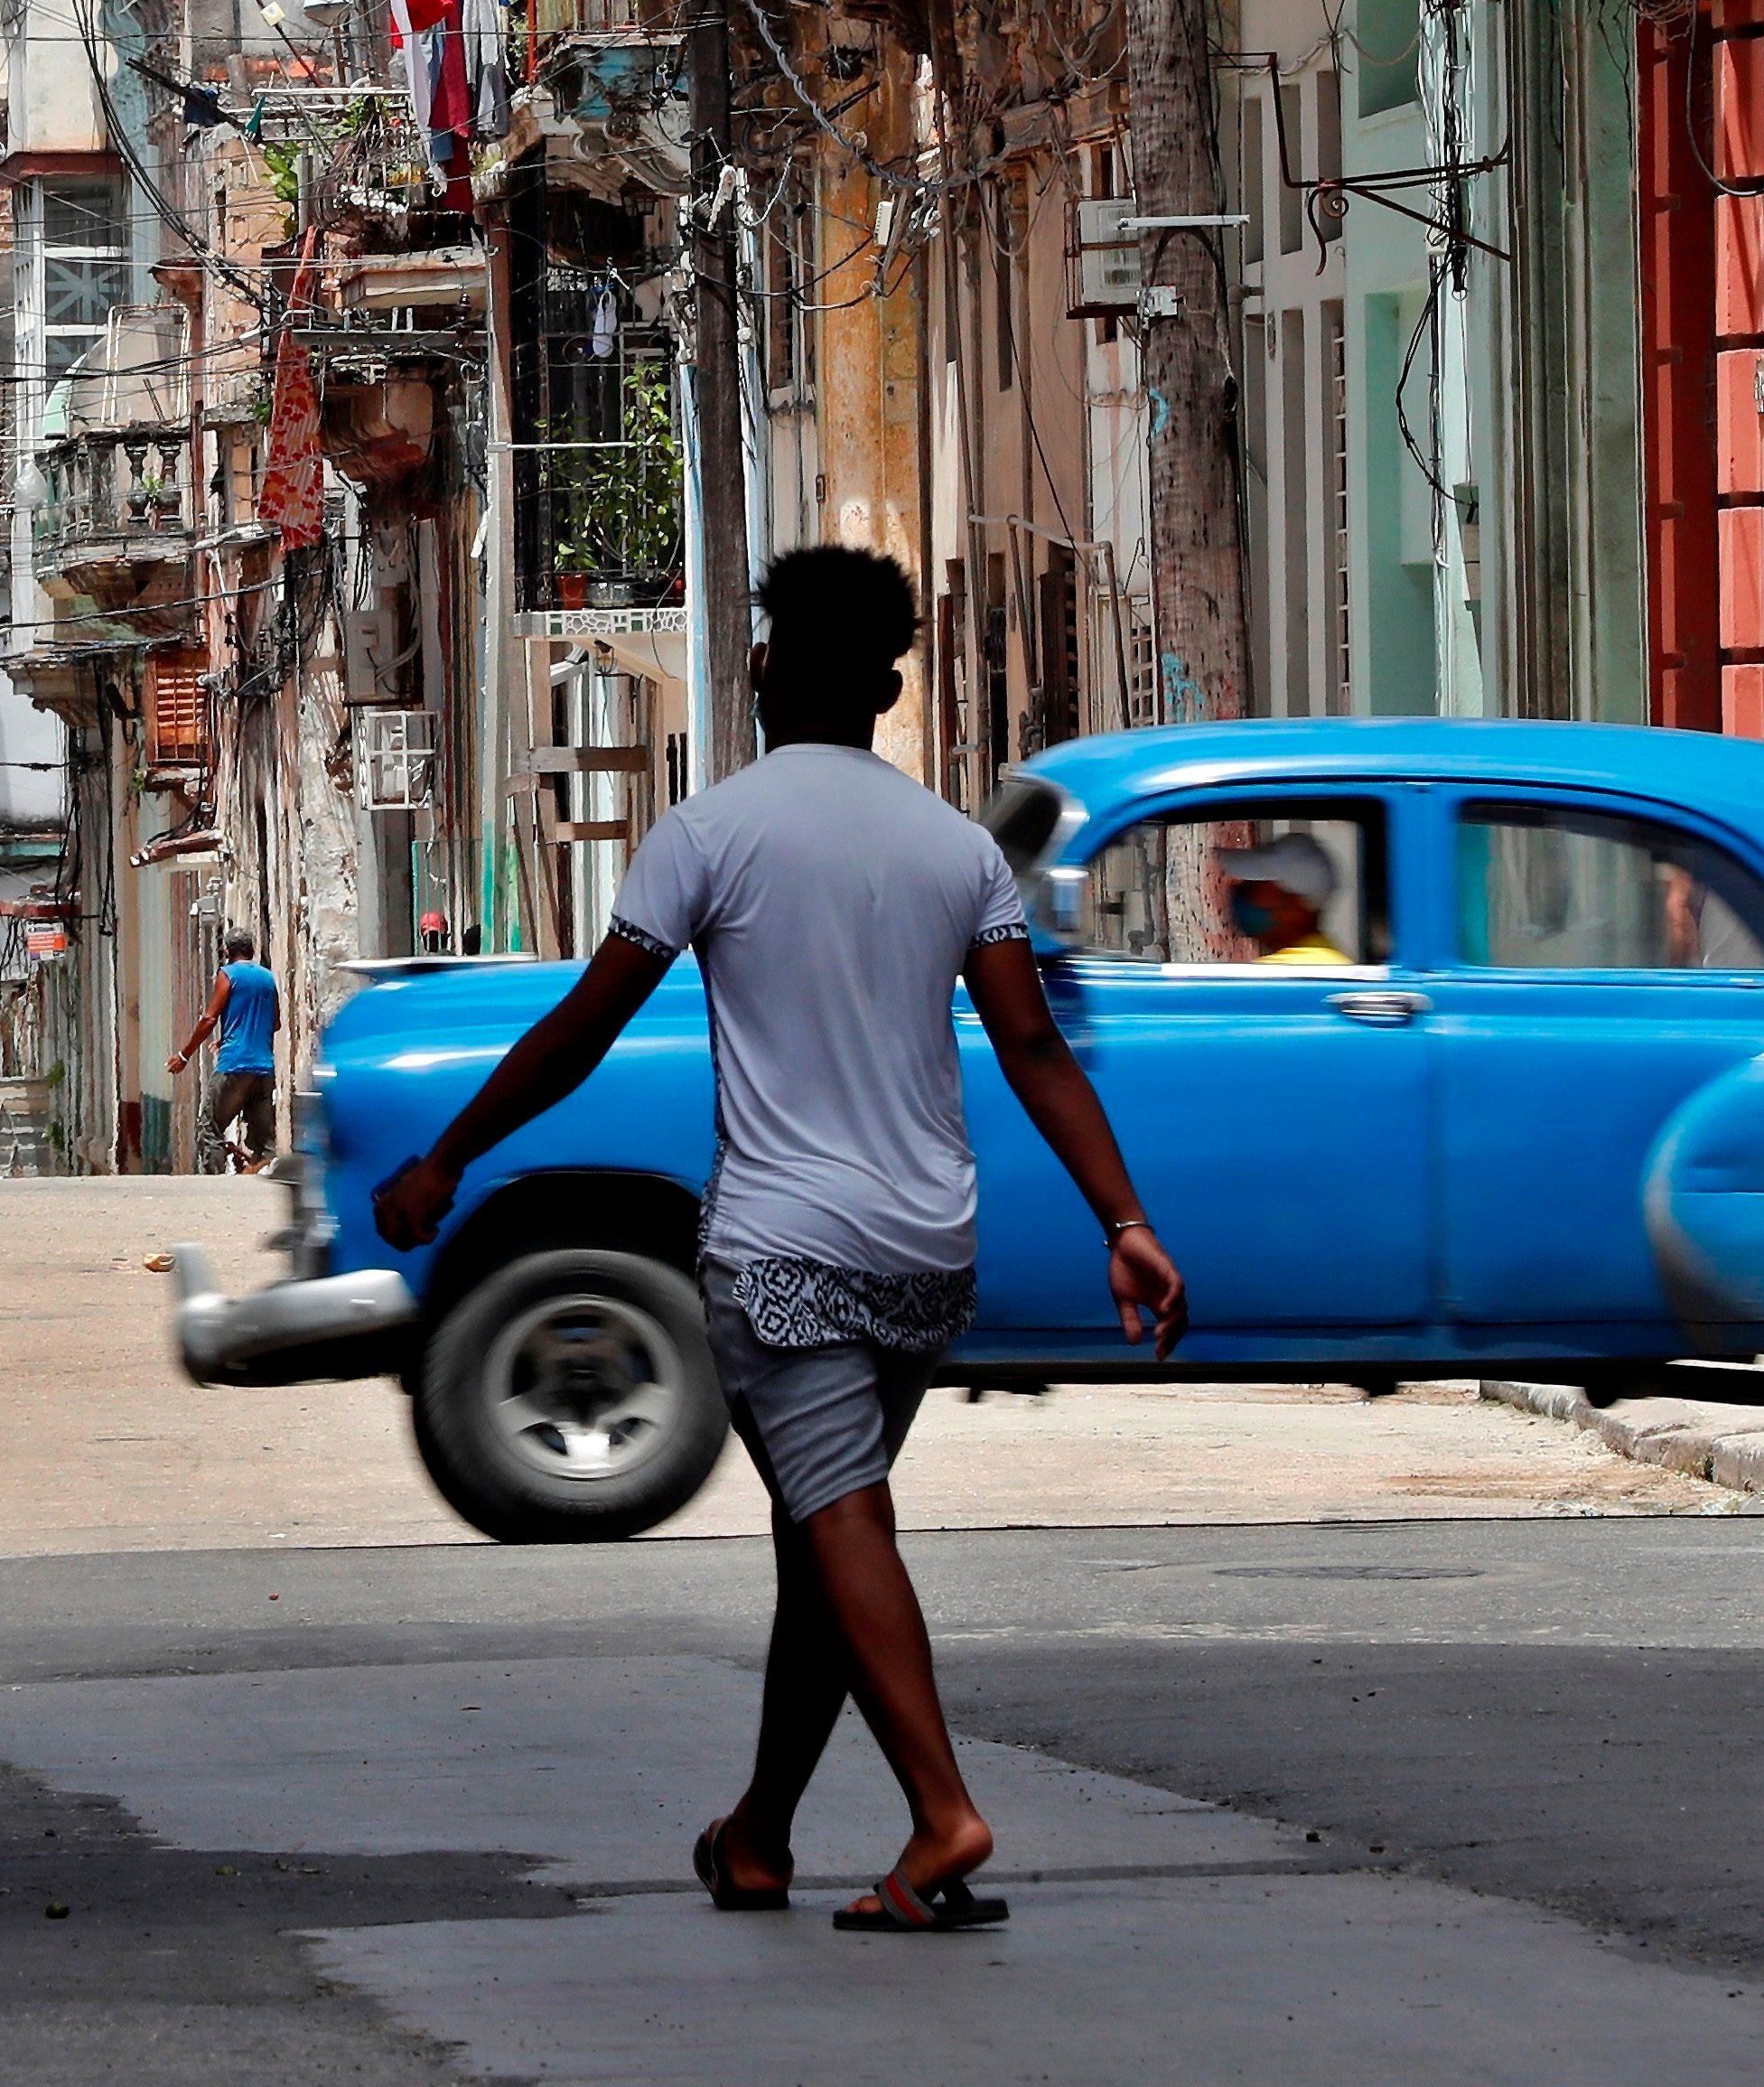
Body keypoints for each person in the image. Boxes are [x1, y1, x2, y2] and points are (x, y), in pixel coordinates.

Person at [371, 544, 1185, 1937]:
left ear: (759, 669)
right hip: (927, 1251)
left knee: (839, 1520)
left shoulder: (709, 833)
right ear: (882, 683)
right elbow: (1035, 1045)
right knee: (825, 1534)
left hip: (784, 1251)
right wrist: (1128, 1221)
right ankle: (759, 1836)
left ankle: (943, 1817)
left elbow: (584, 1029)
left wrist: (449, 1156)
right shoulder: (955, 848)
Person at [169, 932, 283, 1169]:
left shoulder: (227, 975)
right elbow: (275, 1023)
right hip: (264, 1069)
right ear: (252, 951)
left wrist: (183, 1055)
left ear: (227, 953)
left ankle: (217, 1183)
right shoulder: (267, 978)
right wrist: (234, 1035)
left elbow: (209, 1019)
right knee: (264, 1139)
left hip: (234, 1065)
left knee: (210, 1129)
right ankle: (268, 1183)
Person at [1215, 833, 1349, 965]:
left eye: (1252, 887)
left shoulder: (1276, 977)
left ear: (1294, 911)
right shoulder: (1332, 961)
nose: (1237, 890)